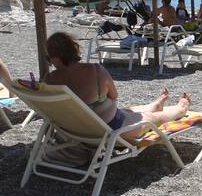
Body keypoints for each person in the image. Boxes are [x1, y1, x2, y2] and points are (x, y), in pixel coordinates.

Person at [44, 32, 191, 140]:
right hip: (111, 129)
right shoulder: (95, 70)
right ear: (73, 50)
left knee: (127, 111)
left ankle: (154, 104)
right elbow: (114, 96)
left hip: (74, 130)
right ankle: (181, 108)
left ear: (53, 57)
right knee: (154, 118)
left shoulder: (49, 80)